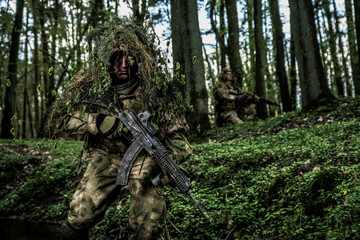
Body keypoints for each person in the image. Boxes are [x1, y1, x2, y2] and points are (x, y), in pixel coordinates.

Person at [52, 17, 192, 240]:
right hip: (105, 154)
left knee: (148, 225)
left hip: (146, 158)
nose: (124, 65)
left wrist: (168, 161)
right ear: (107, 59)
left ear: (140, 58)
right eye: (117, 58)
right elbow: (60, 118)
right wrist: (96, 122)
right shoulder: (91, 84)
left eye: (130, 57)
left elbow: (179, 136)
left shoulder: (156, 88)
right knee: (80, 216)